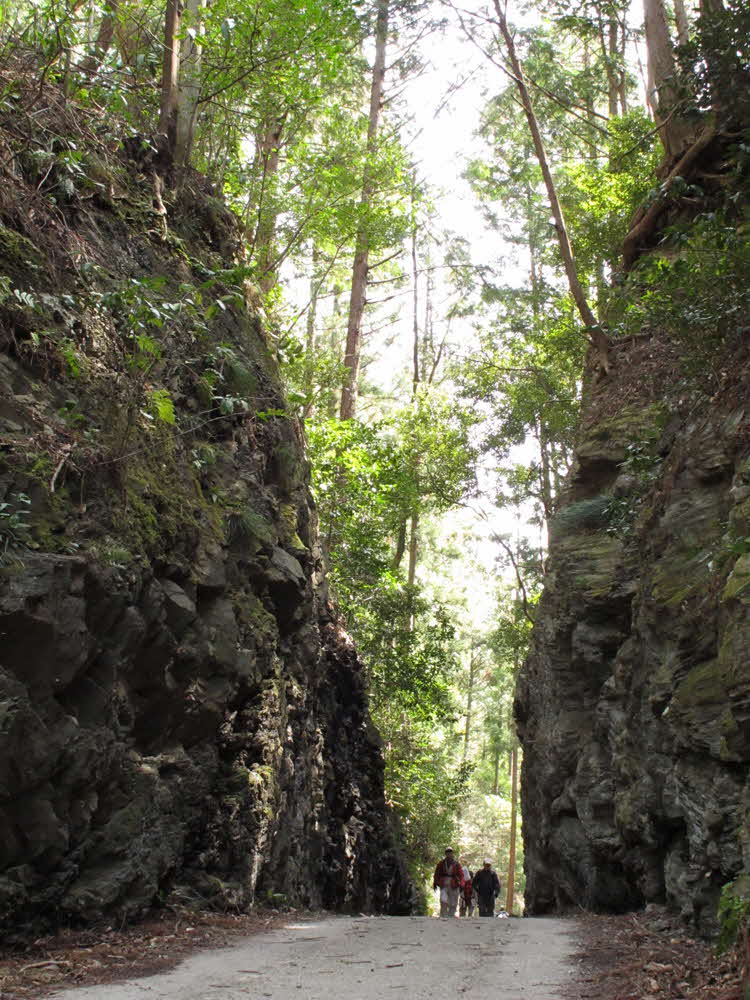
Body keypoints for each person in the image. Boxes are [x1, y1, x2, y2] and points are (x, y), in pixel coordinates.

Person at [433, 848, 464, 917]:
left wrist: (462, 884)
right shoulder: (441, 863)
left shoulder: (456, 864)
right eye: (447, 852)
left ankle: (451, 915)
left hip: (454, 883)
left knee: (453, 902)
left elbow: (461, 875)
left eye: (450, 852)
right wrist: (435, 882)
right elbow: (437, 873)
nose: (449, 854)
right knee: (443, 899)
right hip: (443, 883)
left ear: (452, 854)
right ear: (445, 854)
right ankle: (443, 915)